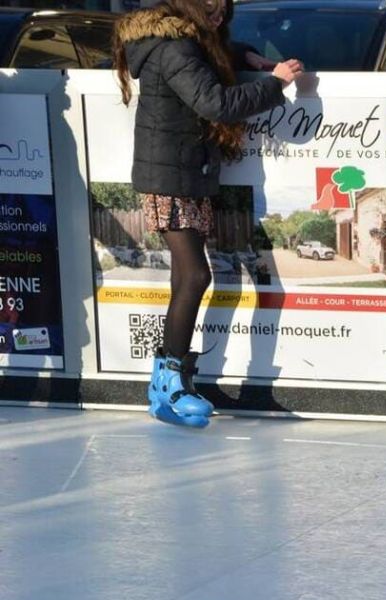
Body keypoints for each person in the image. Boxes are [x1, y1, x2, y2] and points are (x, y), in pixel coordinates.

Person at [113, 0, 302, 428]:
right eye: (211, 10)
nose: (219, 18)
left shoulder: (184, 40)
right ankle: (167, 385)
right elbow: (214, 101)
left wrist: (246, 54)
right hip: (169, 175)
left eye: (224, 11)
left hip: (185, 171)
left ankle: (173, 383)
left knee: (187, 277)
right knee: (196, 275)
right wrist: (274, 84)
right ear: (189, 8)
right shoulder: (174, 47)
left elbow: (208, 58)